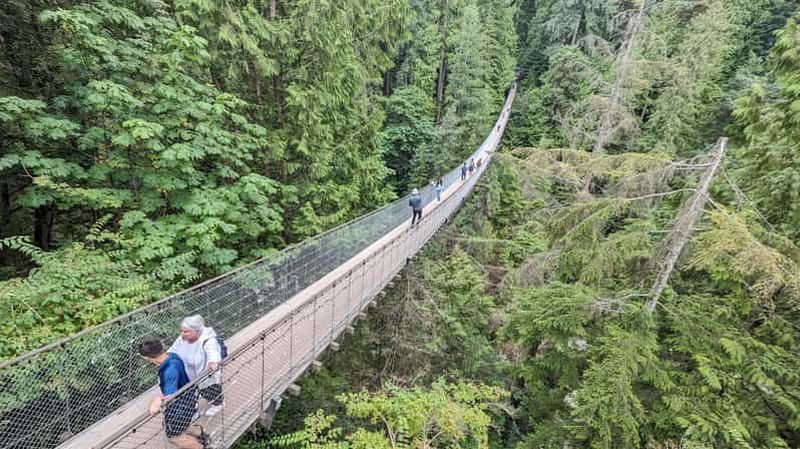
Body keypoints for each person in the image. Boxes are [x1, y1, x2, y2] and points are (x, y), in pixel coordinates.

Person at [139, 337, 204, 449]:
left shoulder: (170, 370)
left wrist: (158, 399)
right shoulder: (173, 356)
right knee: (184, 425)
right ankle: (202, 436)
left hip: (180, 408)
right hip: (188, 397)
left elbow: (168, 398)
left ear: (146, 358)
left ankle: (200, 447)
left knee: (174, 437)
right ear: (162, 346)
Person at [169, 315, 224, 417]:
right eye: (181, 331)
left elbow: (213, 352)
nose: (182, 334)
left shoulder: (208, 340)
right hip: (187, 371)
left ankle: (218, 404)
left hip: (202, 371)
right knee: (188, 393)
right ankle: (192, 411)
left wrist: (213, 362)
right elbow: (173, 349)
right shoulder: (182, 338)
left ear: (196, 331)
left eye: (186, 331)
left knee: (208, 390)